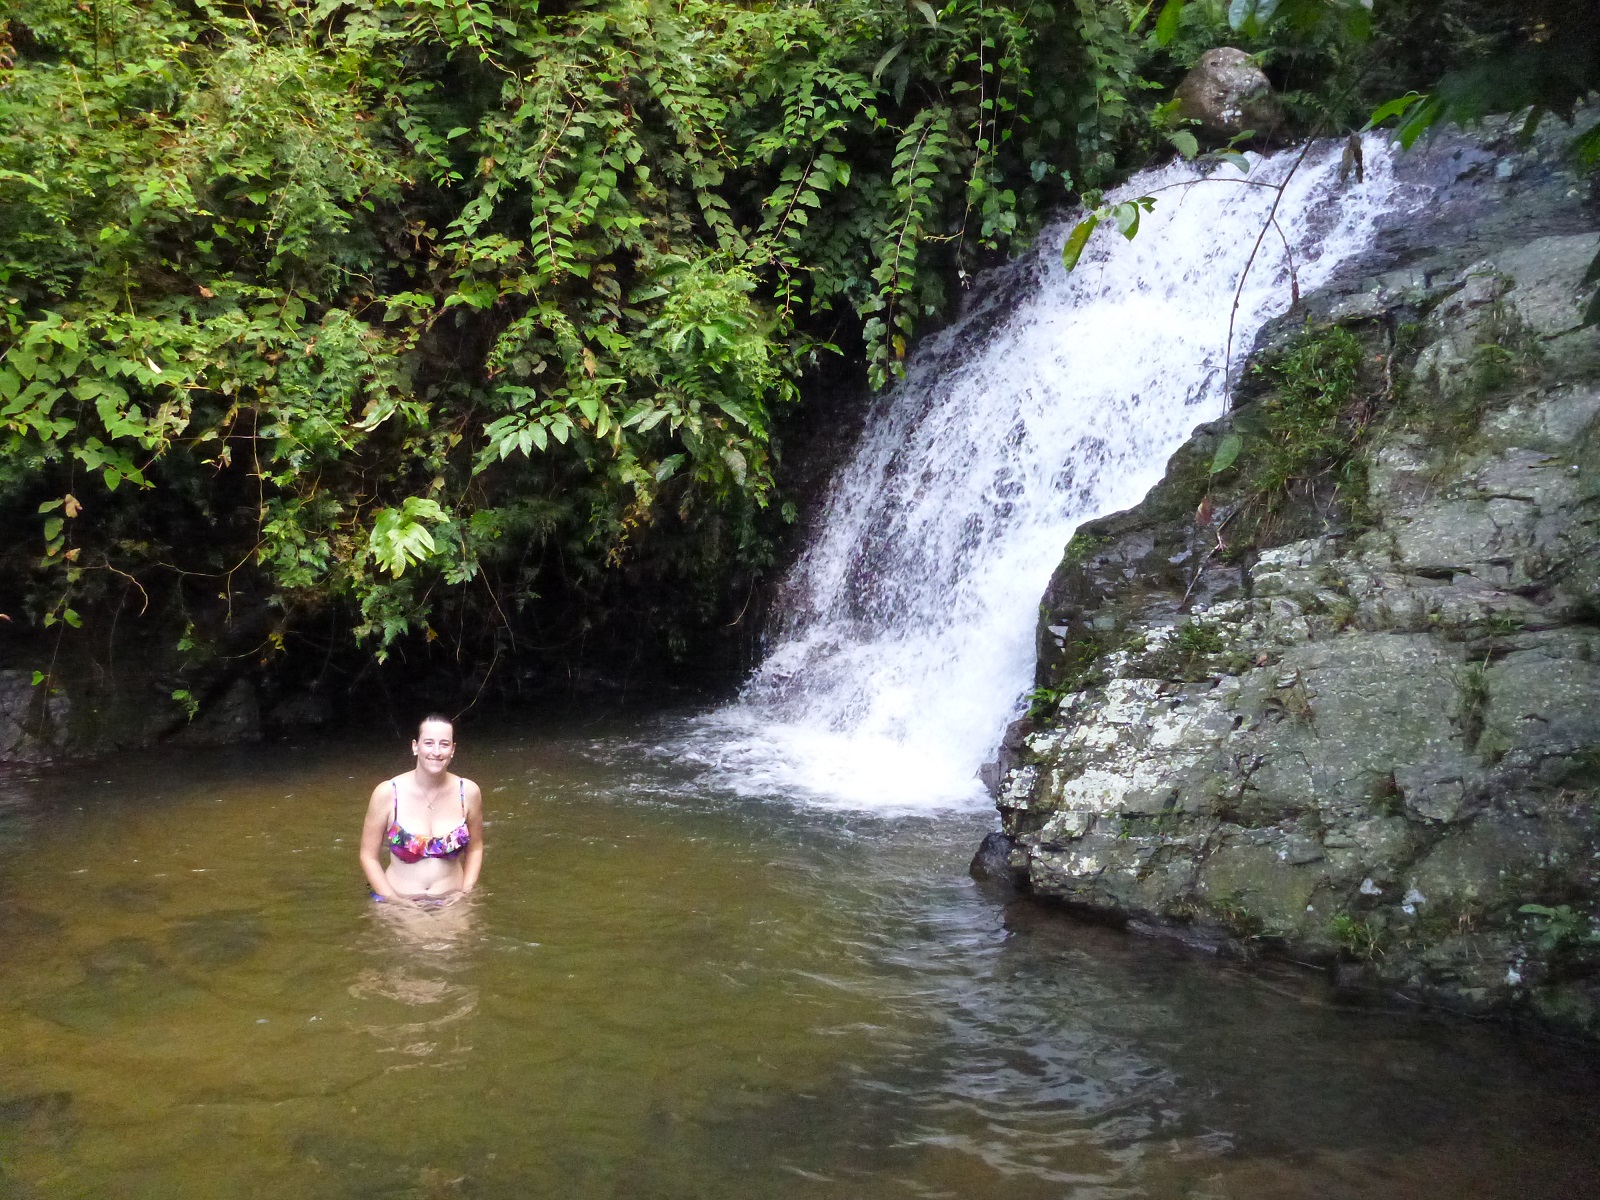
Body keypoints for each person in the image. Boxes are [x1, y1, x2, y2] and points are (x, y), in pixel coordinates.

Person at [359, 714, 484, 904]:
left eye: (444, 744)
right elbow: (368, 856)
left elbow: (475, 849)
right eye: (428, 743)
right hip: (397, 900)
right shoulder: (388, 793)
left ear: (453, 749)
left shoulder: (468, 792)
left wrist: (466, 893)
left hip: (453, 901)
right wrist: (395, 901)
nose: (436, 751)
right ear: (415, 747)